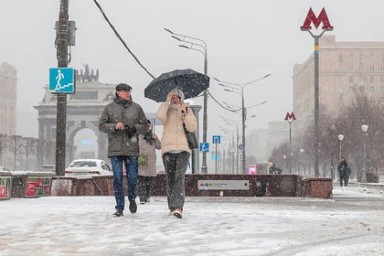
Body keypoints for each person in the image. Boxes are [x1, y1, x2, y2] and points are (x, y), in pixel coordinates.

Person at [99, 83, 148, 217]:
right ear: (118, 92)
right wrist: (114, 126)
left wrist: (135, 129)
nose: (127, 93)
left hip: (132, 149)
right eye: (125, 91)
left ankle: (132, 199)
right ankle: (119, 207)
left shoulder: (137, 108)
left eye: (129, 91)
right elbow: (101, 125)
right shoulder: (109, 108)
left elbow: (145, 125)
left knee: (132, 179)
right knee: (118, 179)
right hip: (115, 149)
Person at [156, 88, 197, 218]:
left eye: (177, 97)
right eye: (172, 96)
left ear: (181, 98)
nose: (175, 99)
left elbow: (192, 127)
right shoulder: (166, 109)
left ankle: (178, 207)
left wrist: (185, 114)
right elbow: (160, 118)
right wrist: (166, 102)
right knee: (171, 179)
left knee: (179, 177)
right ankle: (172, 207)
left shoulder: (187, 109)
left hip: (183, 149)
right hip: (168, 150)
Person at [137, 119, 161, 204]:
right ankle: (142, 198)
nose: (147, 128)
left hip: (151, 161)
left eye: (149, 126)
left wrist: (156, 139)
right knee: (142, 180)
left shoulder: (153, 136)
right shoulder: (138, 136)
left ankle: (147, 195)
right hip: (142, 160)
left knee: (151, 180)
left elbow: (159, 146)